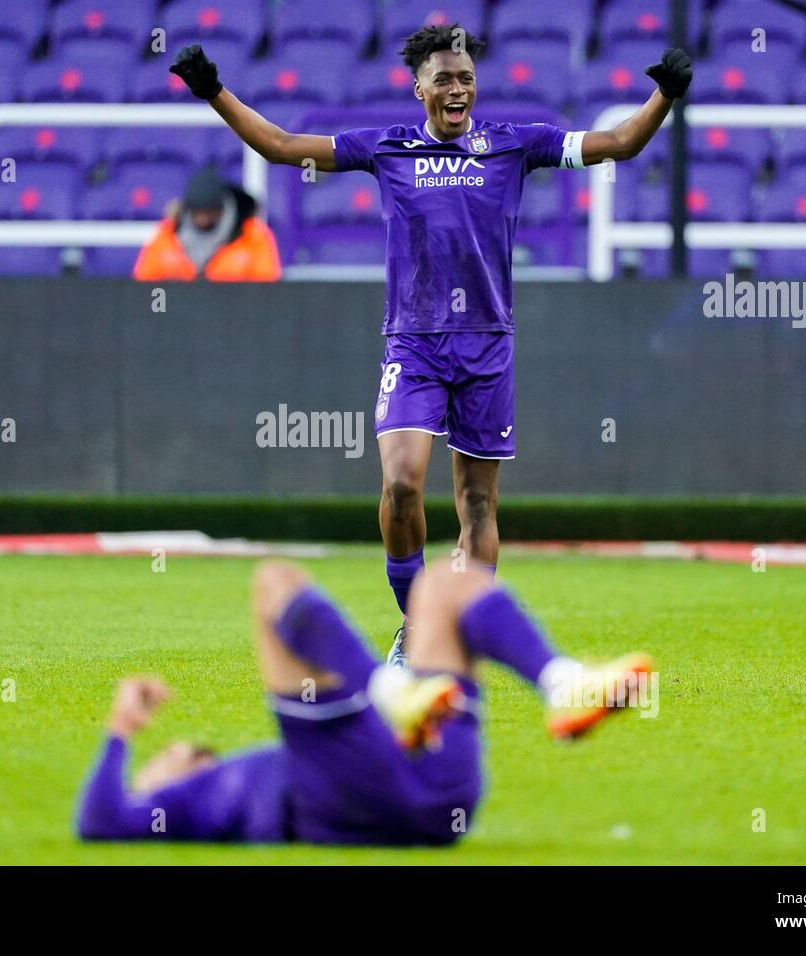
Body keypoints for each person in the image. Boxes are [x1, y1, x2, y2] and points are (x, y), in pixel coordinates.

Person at [168, 27, 692, 664]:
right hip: (413, 343)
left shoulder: (515, 144)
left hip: (486, 345)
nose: (457, 88)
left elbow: (620, 142)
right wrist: (213, 91)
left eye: (466, 78)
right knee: (401, 485)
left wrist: (665, 94)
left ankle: (454, 636)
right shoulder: (388, 148)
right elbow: (280, 146)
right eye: (443, 78)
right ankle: (419, 620)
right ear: (418, 88)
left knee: (477, 501)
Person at [74, 560, 652, 845]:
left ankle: (563, 682)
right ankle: (388, 688)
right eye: (152, 766)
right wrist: (122, 729)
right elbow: (98, 822)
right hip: (355, 795)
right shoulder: (195, 802)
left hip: (437, 791)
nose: (166, 752)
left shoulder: (229, 778)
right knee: (273, 581)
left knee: (444, 582)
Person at [132, 167, 282, 281]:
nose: (203, 220)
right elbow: (145, 279)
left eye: (210, 213)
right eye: (197, 213)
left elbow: (266, 289)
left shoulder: (253, 234)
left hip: (237, 316)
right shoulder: (169, 231)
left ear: (222, 208)